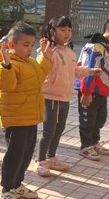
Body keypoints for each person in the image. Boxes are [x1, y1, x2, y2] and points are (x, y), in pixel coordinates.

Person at [0, 21, 54, 199]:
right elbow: (5, 85)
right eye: (26, 45)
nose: (30, 49)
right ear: (11, 45)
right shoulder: (9, 64)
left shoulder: (31, 63)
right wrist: (5, 64)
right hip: (16, 119)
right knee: (15, 154)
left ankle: (17, 185)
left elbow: (40, 76)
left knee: (26, 153)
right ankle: (6, 189)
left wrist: (46, 58)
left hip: (30, 117)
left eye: (32, 45)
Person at [35, 16, 99, 177]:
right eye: (62, 29)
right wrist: (45, 55)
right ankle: (41, 161)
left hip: (64, 97)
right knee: (49, 131)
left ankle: (51, 157)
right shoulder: (47, 50)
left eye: (69, 30)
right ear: (53, 31)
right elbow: (40, 68)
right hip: (50, 96)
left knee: (59, 129)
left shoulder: (69, 51)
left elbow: (74, 71)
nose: (67, 33)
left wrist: (90, 71)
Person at [75, 19, 109, 161]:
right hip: (90, 90)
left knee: (100, 118)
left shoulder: (107, 47)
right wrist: (86, 92)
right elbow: (88, 69)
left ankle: (94, 142)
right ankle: (85, 146)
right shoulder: (95, 47)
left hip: (101, 91)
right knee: (88, 120)